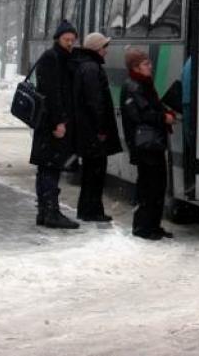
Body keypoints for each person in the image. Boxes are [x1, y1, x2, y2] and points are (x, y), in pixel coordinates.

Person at [30, 20, 80, 229]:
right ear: (58, 39)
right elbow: (52, 94)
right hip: (51, 125)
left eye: (72, 40)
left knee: (46, 168)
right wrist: (58, 122)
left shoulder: (60, 58)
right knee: (51, 168)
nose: (70, 43)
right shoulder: (53, 59)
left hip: (48, 124)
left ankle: (45, 211)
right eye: (66, 39)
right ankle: (51, 212)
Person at [120, 48, 175, 240]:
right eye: (146, 64)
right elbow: (141, 115)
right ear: (135, 67)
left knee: (158, 185)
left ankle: (153, 225)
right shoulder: (134, 86)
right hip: (145, 145)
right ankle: (143, 227)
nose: (150, 66)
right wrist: (163, 118)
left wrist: (165, 113)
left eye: (149, 63)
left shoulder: (143, 83)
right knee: (149, 185)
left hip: (152, 143)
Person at [72, 32, 123, 222]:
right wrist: (101, 129)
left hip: (89, 131)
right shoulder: (92, 68)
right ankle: (91, 211)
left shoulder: (86, 66)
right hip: (94, 133)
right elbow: (95, 102)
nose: (106, 51)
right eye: (104, 47)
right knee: (95, 173)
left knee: (90, 173)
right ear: (96, 49)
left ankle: (88, 209)